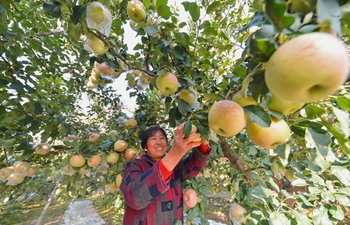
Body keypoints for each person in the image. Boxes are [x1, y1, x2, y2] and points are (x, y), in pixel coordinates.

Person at [120, 123, 211, 225]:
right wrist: (175, 153)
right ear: (145, 147)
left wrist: (203, 142)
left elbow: (193, 168)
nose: (159, 142)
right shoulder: (135, 165)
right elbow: (134, 197)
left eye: (162, 138)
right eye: (153, 139)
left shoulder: (175, 167)